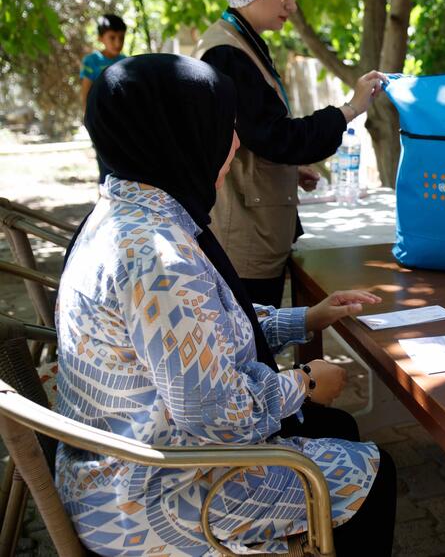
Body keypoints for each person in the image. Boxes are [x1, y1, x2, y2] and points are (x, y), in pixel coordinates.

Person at [56, 54, 397, 556]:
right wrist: (304, 383)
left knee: (336, 429)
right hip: (154, 494)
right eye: (220, 126)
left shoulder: (126, 210)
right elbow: (222, 415)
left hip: (120, 464)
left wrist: (304, 318)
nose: (235, 143)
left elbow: (199, 329)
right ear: (177, 136)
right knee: (372, 473)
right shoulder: (158, 258)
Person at [196, 0, 387, 308]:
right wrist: (349, 109)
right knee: (251, 350)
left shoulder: (240, 42)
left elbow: (254, 136)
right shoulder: (227, 54)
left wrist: (289, 168)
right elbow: (276, 137)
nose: (292, 5)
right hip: (243, 241)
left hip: (255, 231)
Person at [80, 13, 128, 182]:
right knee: (105, 165)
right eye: (112, 37)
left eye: (121, 37)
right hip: (100, 120)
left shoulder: (126, 62)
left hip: (121, 122)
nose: (117, 43)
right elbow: (86, 91)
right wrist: (88, 119)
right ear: (101, 38)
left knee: (123, 165)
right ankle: (105, 201)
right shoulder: (91, 61)